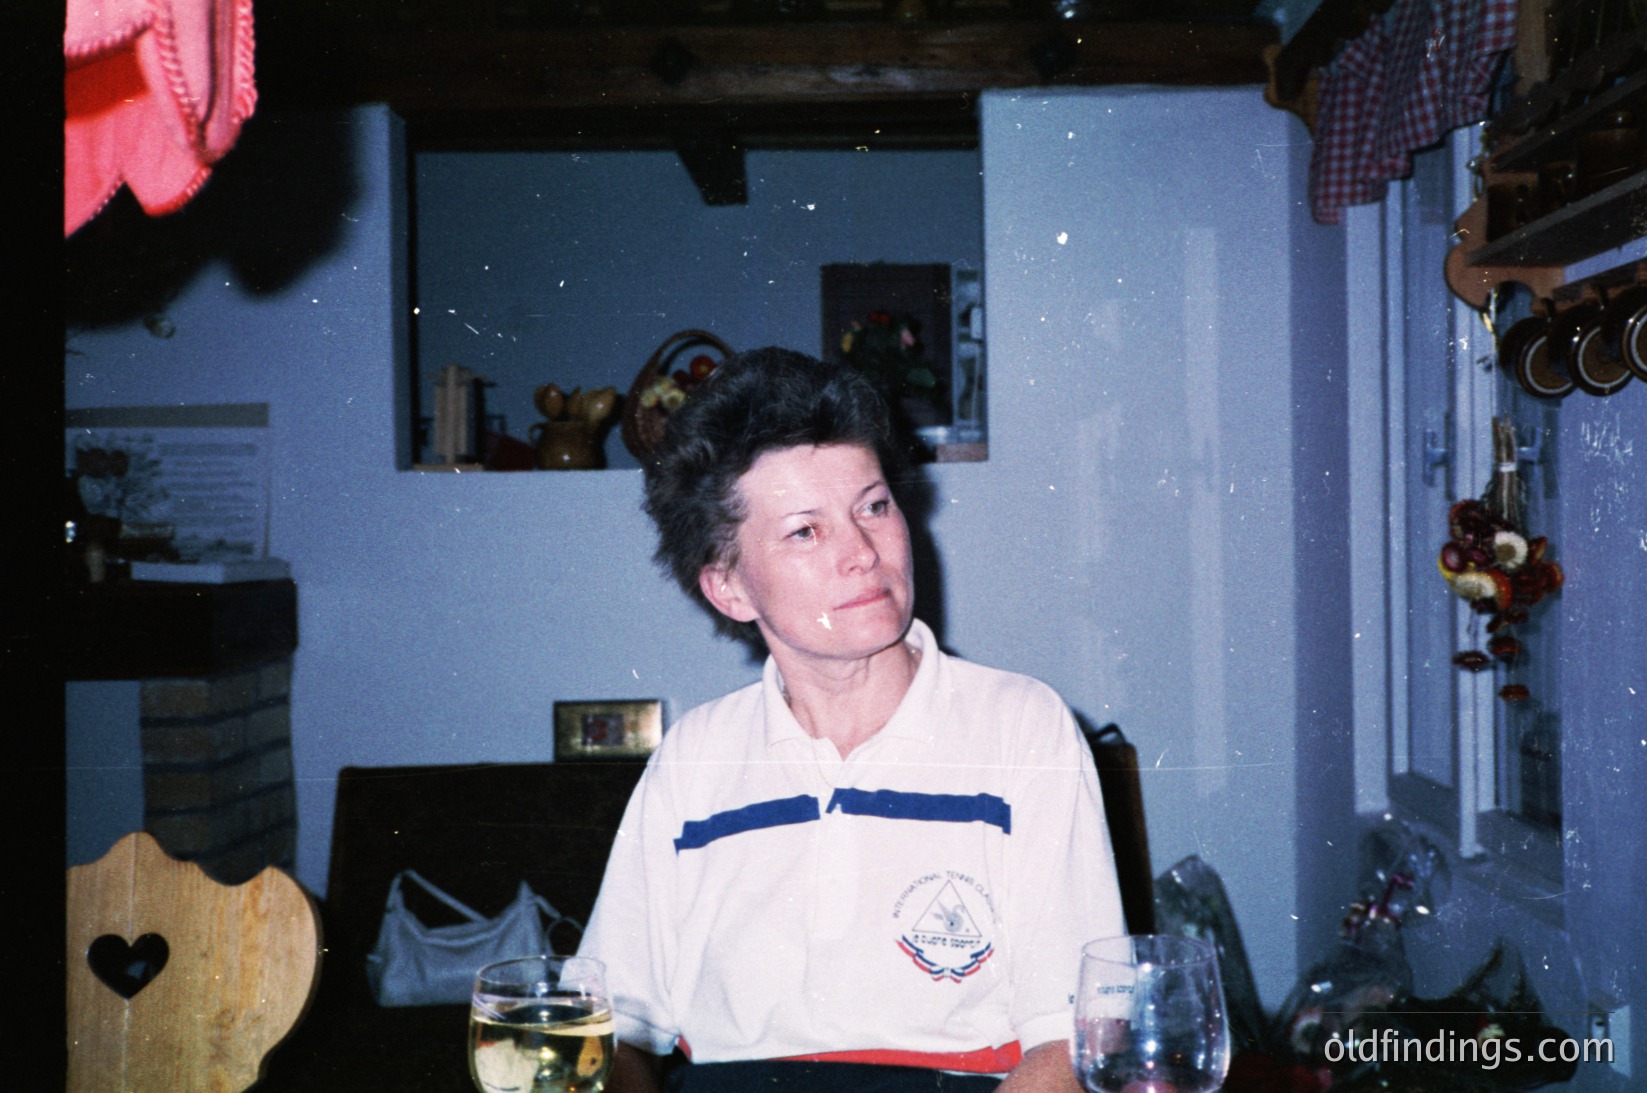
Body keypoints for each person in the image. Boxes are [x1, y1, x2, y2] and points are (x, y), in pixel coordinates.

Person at [580, 347, 1123, 1093]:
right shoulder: (694, 756)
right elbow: (610, 1026)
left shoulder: (1018, 727)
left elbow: (1073, 1039)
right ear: (729, 586)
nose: (863, 553)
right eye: (805, 531)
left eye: (872, 506)